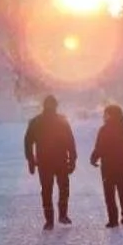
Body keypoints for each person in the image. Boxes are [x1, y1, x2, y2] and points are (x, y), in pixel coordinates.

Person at [23, 94, 76, 229]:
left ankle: (50, 220)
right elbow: (70, 142)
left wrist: (31, 160)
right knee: (63, 188)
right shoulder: (61, 121)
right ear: (56, 105)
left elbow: (28, 142)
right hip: (60, 161)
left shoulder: (36, 121)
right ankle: (62, 215)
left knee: (46, 190)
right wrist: (72, 159)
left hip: (45, 162)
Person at [90, 103, 123, 228]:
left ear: (110, 115)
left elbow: (99, 147)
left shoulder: (104, 130)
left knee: (109, 193)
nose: (104, 116)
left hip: (108, 166)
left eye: (105, 114)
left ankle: (113, 220)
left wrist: (94, 158)